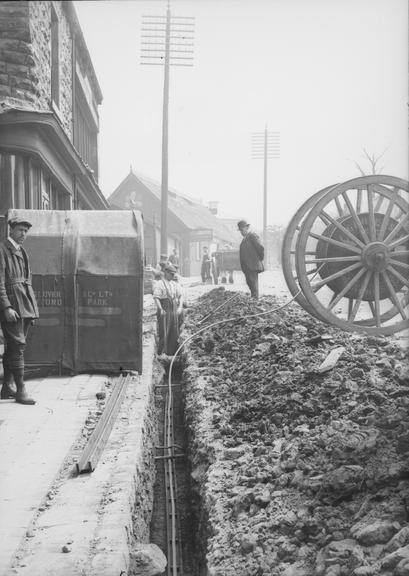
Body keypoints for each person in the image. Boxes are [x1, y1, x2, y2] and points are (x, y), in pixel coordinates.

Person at [0, 216, 39, 405]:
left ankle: (7, 386)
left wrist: (32, 307)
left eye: (26, 231)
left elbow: (27, 280)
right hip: (12, 304)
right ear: (11, 230)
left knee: (14, 346)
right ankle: (21, 389)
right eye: (20, 230)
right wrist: (6, 306)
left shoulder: (22, 251)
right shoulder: (2, 249)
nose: (23, 234)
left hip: (24, 303)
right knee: (18, 346)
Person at [153, 262, 184, 356]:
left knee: (174, 331)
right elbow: (156, 298)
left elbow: (181, 296)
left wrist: (180, 307)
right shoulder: (160, 284)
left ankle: (174, 353)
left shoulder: (175, 284)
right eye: (171, 274)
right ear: (166, 273)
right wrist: (160, 309)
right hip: (165, 310)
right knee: (164, 331)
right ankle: (162, 353)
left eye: (174, 274)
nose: (172, 276)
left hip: (174, 310)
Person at [238, 219, 264, 299]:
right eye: (240, 230)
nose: (241, 232)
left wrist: (258, 260)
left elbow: (260, 248)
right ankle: (253, 297)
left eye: (242, 229)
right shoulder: (244, 239)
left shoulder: (252, 236)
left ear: (246, 228)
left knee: (253, 283)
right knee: (249, 282)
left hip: (253, 265)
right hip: (246, 266)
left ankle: (255, 298)